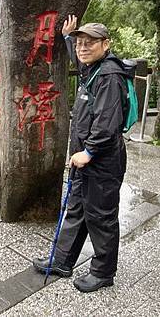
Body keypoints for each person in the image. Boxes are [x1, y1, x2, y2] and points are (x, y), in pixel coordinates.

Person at [32, 15, 130, 293]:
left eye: (90, 43)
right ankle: (62, 261)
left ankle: (103, 272)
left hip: (102, 161)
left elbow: (107, 121)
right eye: (80, 43)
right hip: (84, 159)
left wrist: (88, 151)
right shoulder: (93, 69)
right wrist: (66, 39)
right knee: (76, 208)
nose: (83, 48)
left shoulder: (109, 75)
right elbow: (79, 61)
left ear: (106, 44)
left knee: (100, 216)